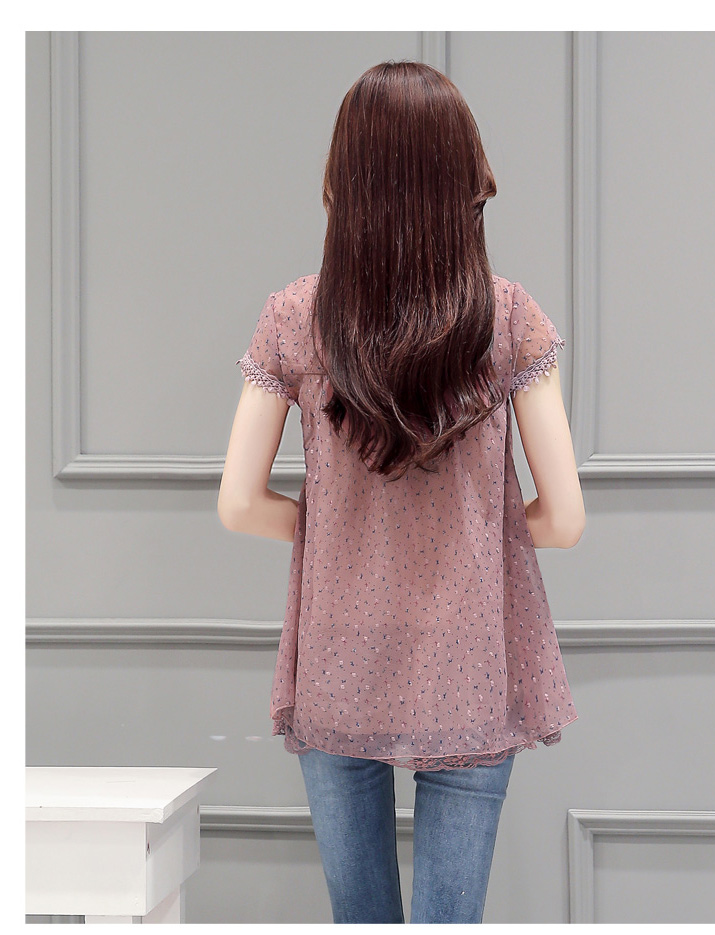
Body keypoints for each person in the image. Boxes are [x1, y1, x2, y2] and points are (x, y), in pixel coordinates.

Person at [218, 60, 585, 925]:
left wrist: (339, 535)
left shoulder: (294, 318)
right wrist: (477, 538)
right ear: (463, 177)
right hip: (470, 659)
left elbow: (237, 503)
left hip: (338, 658)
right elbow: (565, 519)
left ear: (346, 177)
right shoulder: (508, 317)